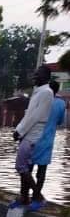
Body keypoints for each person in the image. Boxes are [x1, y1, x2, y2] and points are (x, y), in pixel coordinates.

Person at [11, 65, 54, 209]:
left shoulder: (46, 93)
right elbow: (29, 114)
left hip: (32, 134)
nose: (35, 76)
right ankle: (24, 198)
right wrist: (19, 131)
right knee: (25, 168)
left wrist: (20, 131)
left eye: (38, 74)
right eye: (35, 74)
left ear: (46, 77)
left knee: (21, 166)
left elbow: (34, 117)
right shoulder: (38, 92)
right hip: (26, 133)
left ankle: (38, 197)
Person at [29, 80, 65, 209]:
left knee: (27, 169)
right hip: (47, 141)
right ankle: (36, 196)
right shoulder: (61, 103)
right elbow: (60, 121)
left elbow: (29, 116)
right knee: (41, 172)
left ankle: (27, 195)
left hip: (32, 138)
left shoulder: (39, 99)